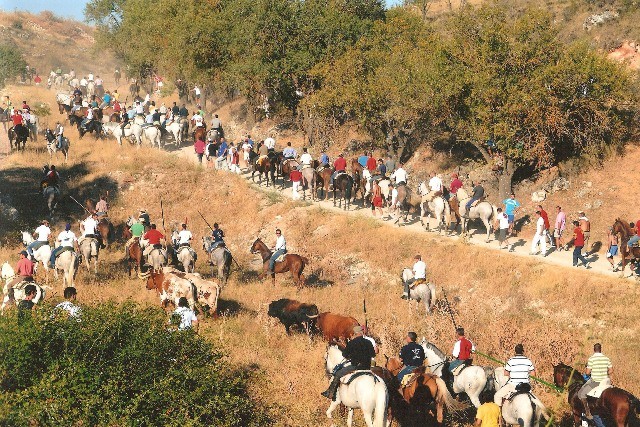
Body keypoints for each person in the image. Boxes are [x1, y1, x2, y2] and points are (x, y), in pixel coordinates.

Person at [321, 325, 375, 401]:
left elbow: (345, 355)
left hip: (355, 366)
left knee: (338, 374)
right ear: (361, 333)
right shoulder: (368, 342)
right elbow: (373, 354)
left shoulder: (352, 343)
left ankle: (330, 393)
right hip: (367, 367)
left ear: (355, 333)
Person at [577, 343, 612, 420]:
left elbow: (587, 372)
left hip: (595, 381)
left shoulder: (591, 359)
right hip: (605, 381)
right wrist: (605, 373)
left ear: (594, 349)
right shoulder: (606, 358)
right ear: (600, 349)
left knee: (581, 393)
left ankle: (588, 413)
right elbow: (611, 371)